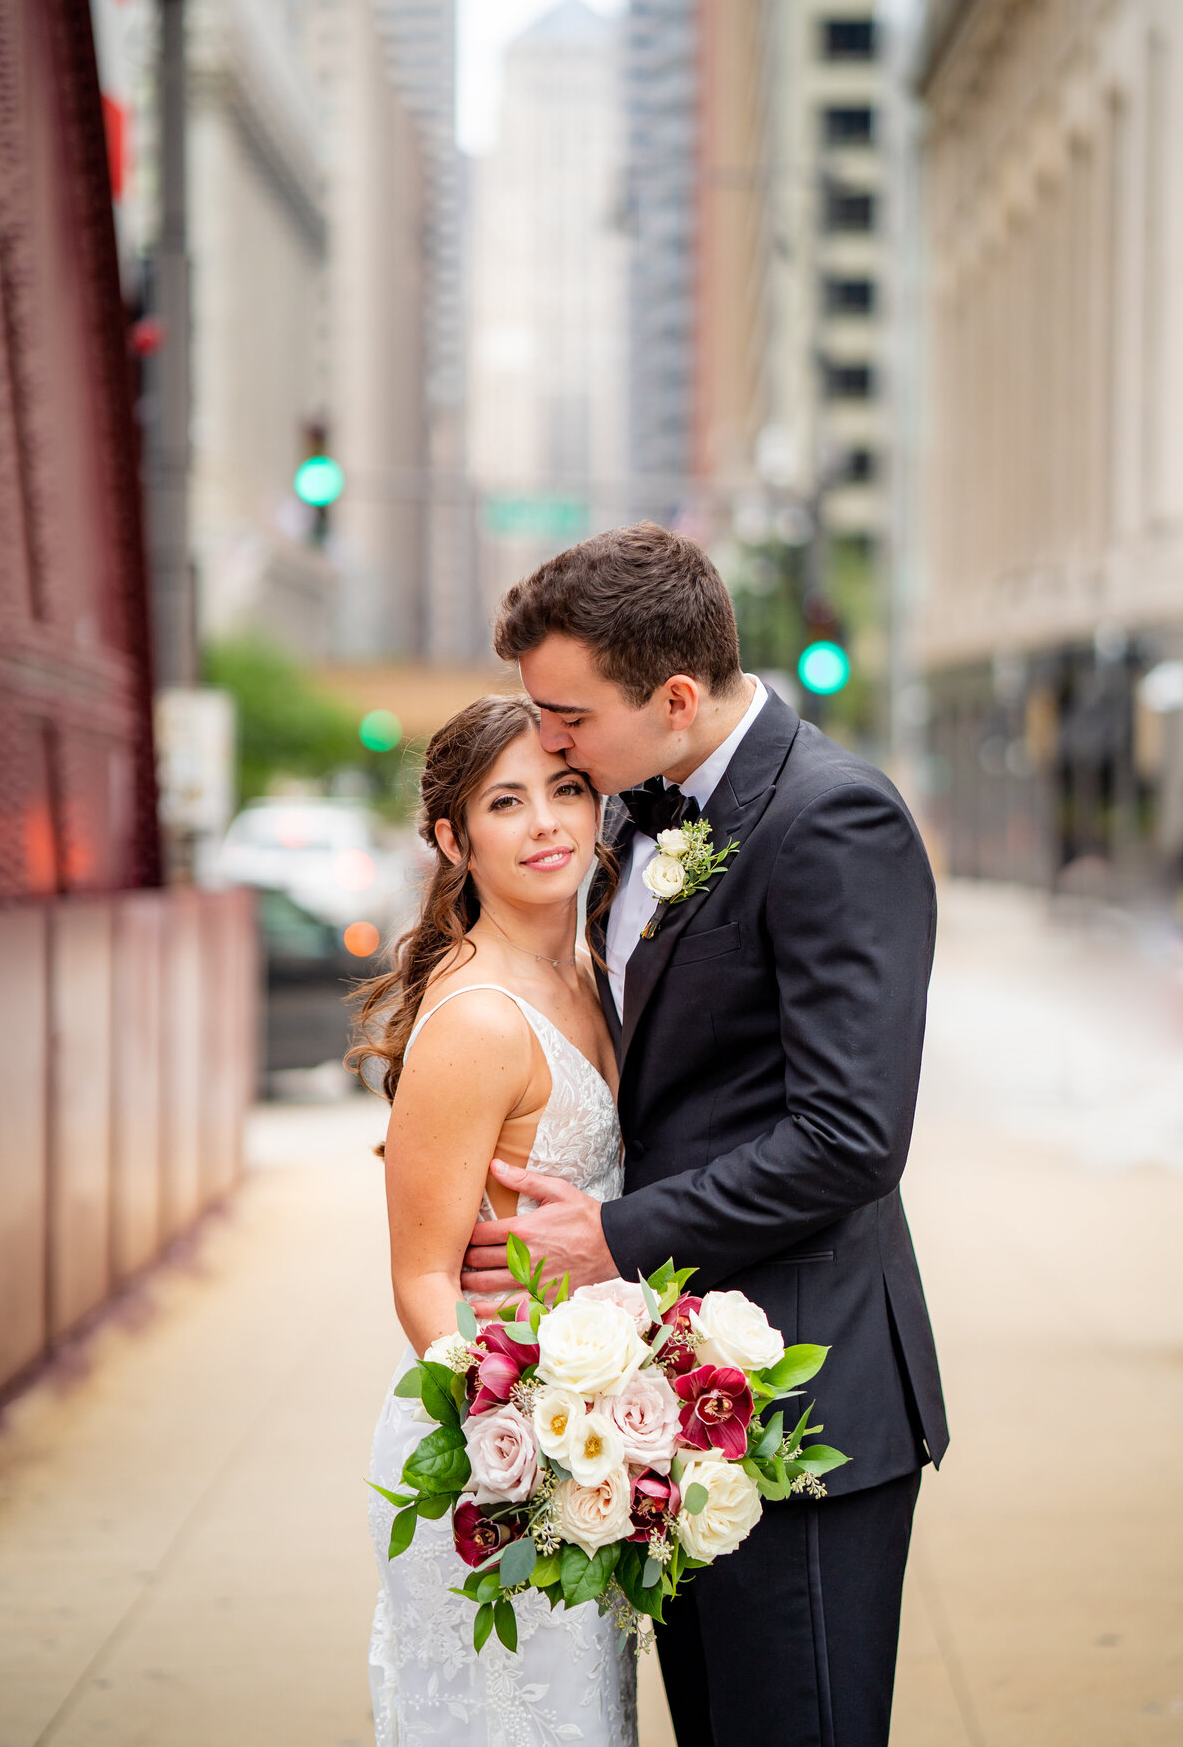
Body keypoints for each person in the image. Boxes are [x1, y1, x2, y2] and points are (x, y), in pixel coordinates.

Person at [461, 521, 949, 1747]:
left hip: (806, 1403)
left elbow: (849, 1135)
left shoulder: (836, 821)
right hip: (664, 1409)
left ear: (675, 698)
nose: (551, 740)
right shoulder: (632, 815)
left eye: (568, 716)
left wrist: (613, 1236)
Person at [352, 694, 638, 1747]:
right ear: (451, 840)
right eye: (506, 803)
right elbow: (422, 1276)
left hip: (590, 1435)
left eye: (566, 790)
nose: (548, 823)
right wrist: (513, 1439)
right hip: (500, 1458)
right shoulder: (479, 1017)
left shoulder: (589, 971)